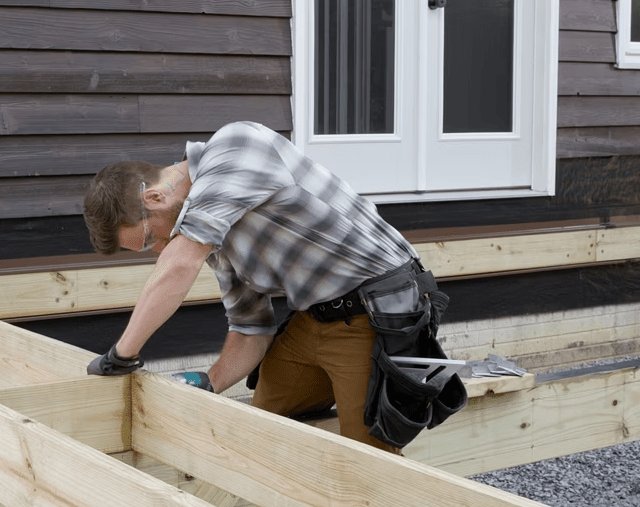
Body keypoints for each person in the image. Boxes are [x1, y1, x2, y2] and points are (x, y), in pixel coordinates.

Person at [82, 121, 428, 453]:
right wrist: (210, 381)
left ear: (155, 198)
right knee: (258, 428)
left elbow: (178, 264)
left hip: (375, 310)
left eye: (147, 240)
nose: (158, 249)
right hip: (315, 318)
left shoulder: (235, 147)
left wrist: (121, 355)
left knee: (366, 458)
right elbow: (251, 329)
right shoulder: (215, 241)